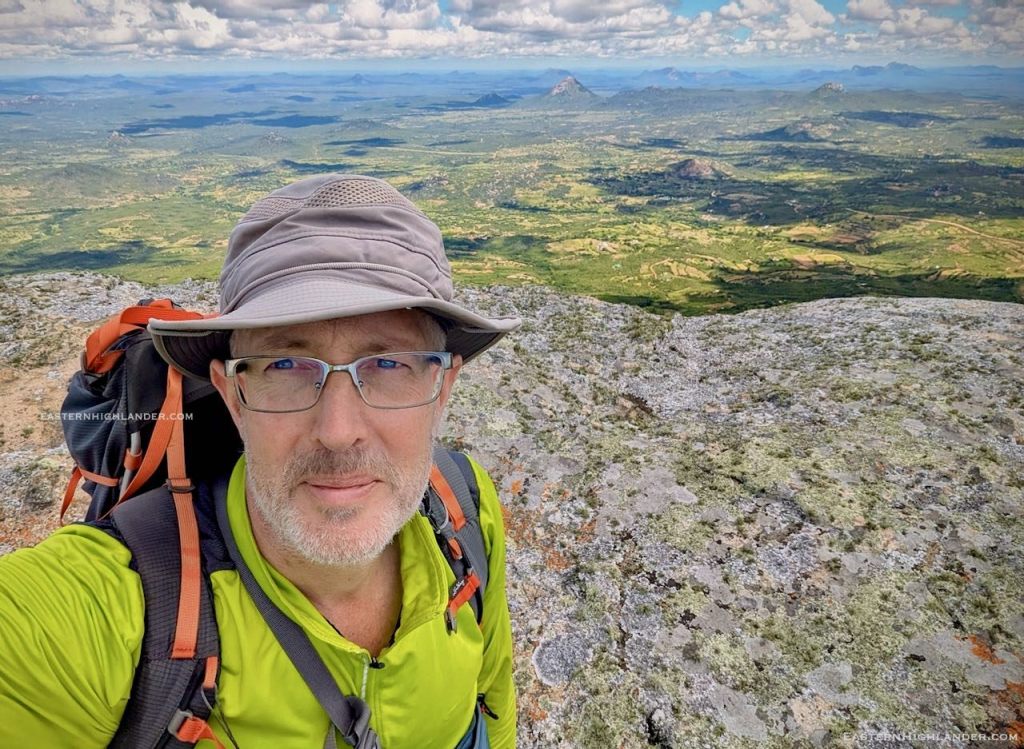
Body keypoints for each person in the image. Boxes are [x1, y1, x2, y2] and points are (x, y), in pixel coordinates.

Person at [0, 174, 521, 748]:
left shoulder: (465, 505)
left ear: (443, 387)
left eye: (389, 364)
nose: (338, 433)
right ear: (232, 394)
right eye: (285, 367)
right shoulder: (109, 607)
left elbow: (493, 697)